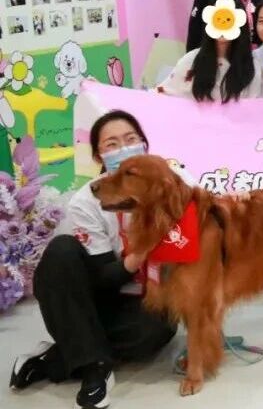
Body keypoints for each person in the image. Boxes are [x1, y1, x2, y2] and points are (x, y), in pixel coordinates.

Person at [9, 111, 178, 409]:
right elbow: (103, 279)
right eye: (112, 144)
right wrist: (139, 255)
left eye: (130, 139)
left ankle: (57, 358)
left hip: (146, 299)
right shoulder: (88, 200)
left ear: (144, 143)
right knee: (61, 249)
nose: (124, 148)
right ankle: (94, 370)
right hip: (99, 296)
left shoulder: (174, 181)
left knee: (159, 328)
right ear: (99, 156)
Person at [160, 0, 263, 102]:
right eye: (218, 19)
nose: (223, 24)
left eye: (229, 20)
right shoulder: (190, 60)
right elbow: (166, 96)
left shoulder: (252, 66)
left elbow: (254, 108)